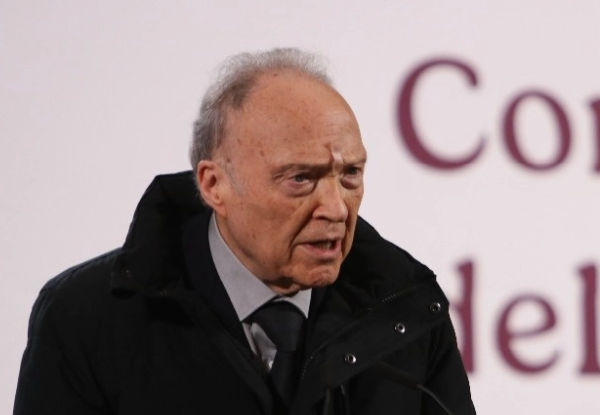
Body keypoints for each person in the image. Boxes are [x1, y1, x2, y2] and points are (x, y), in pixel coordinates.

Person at [14, 48, 476, 415]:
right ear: (214, 185)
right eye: (301, 178)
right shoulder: (87, 317)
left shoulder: (407, 309)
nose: (336, 207)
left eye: (350, 174)